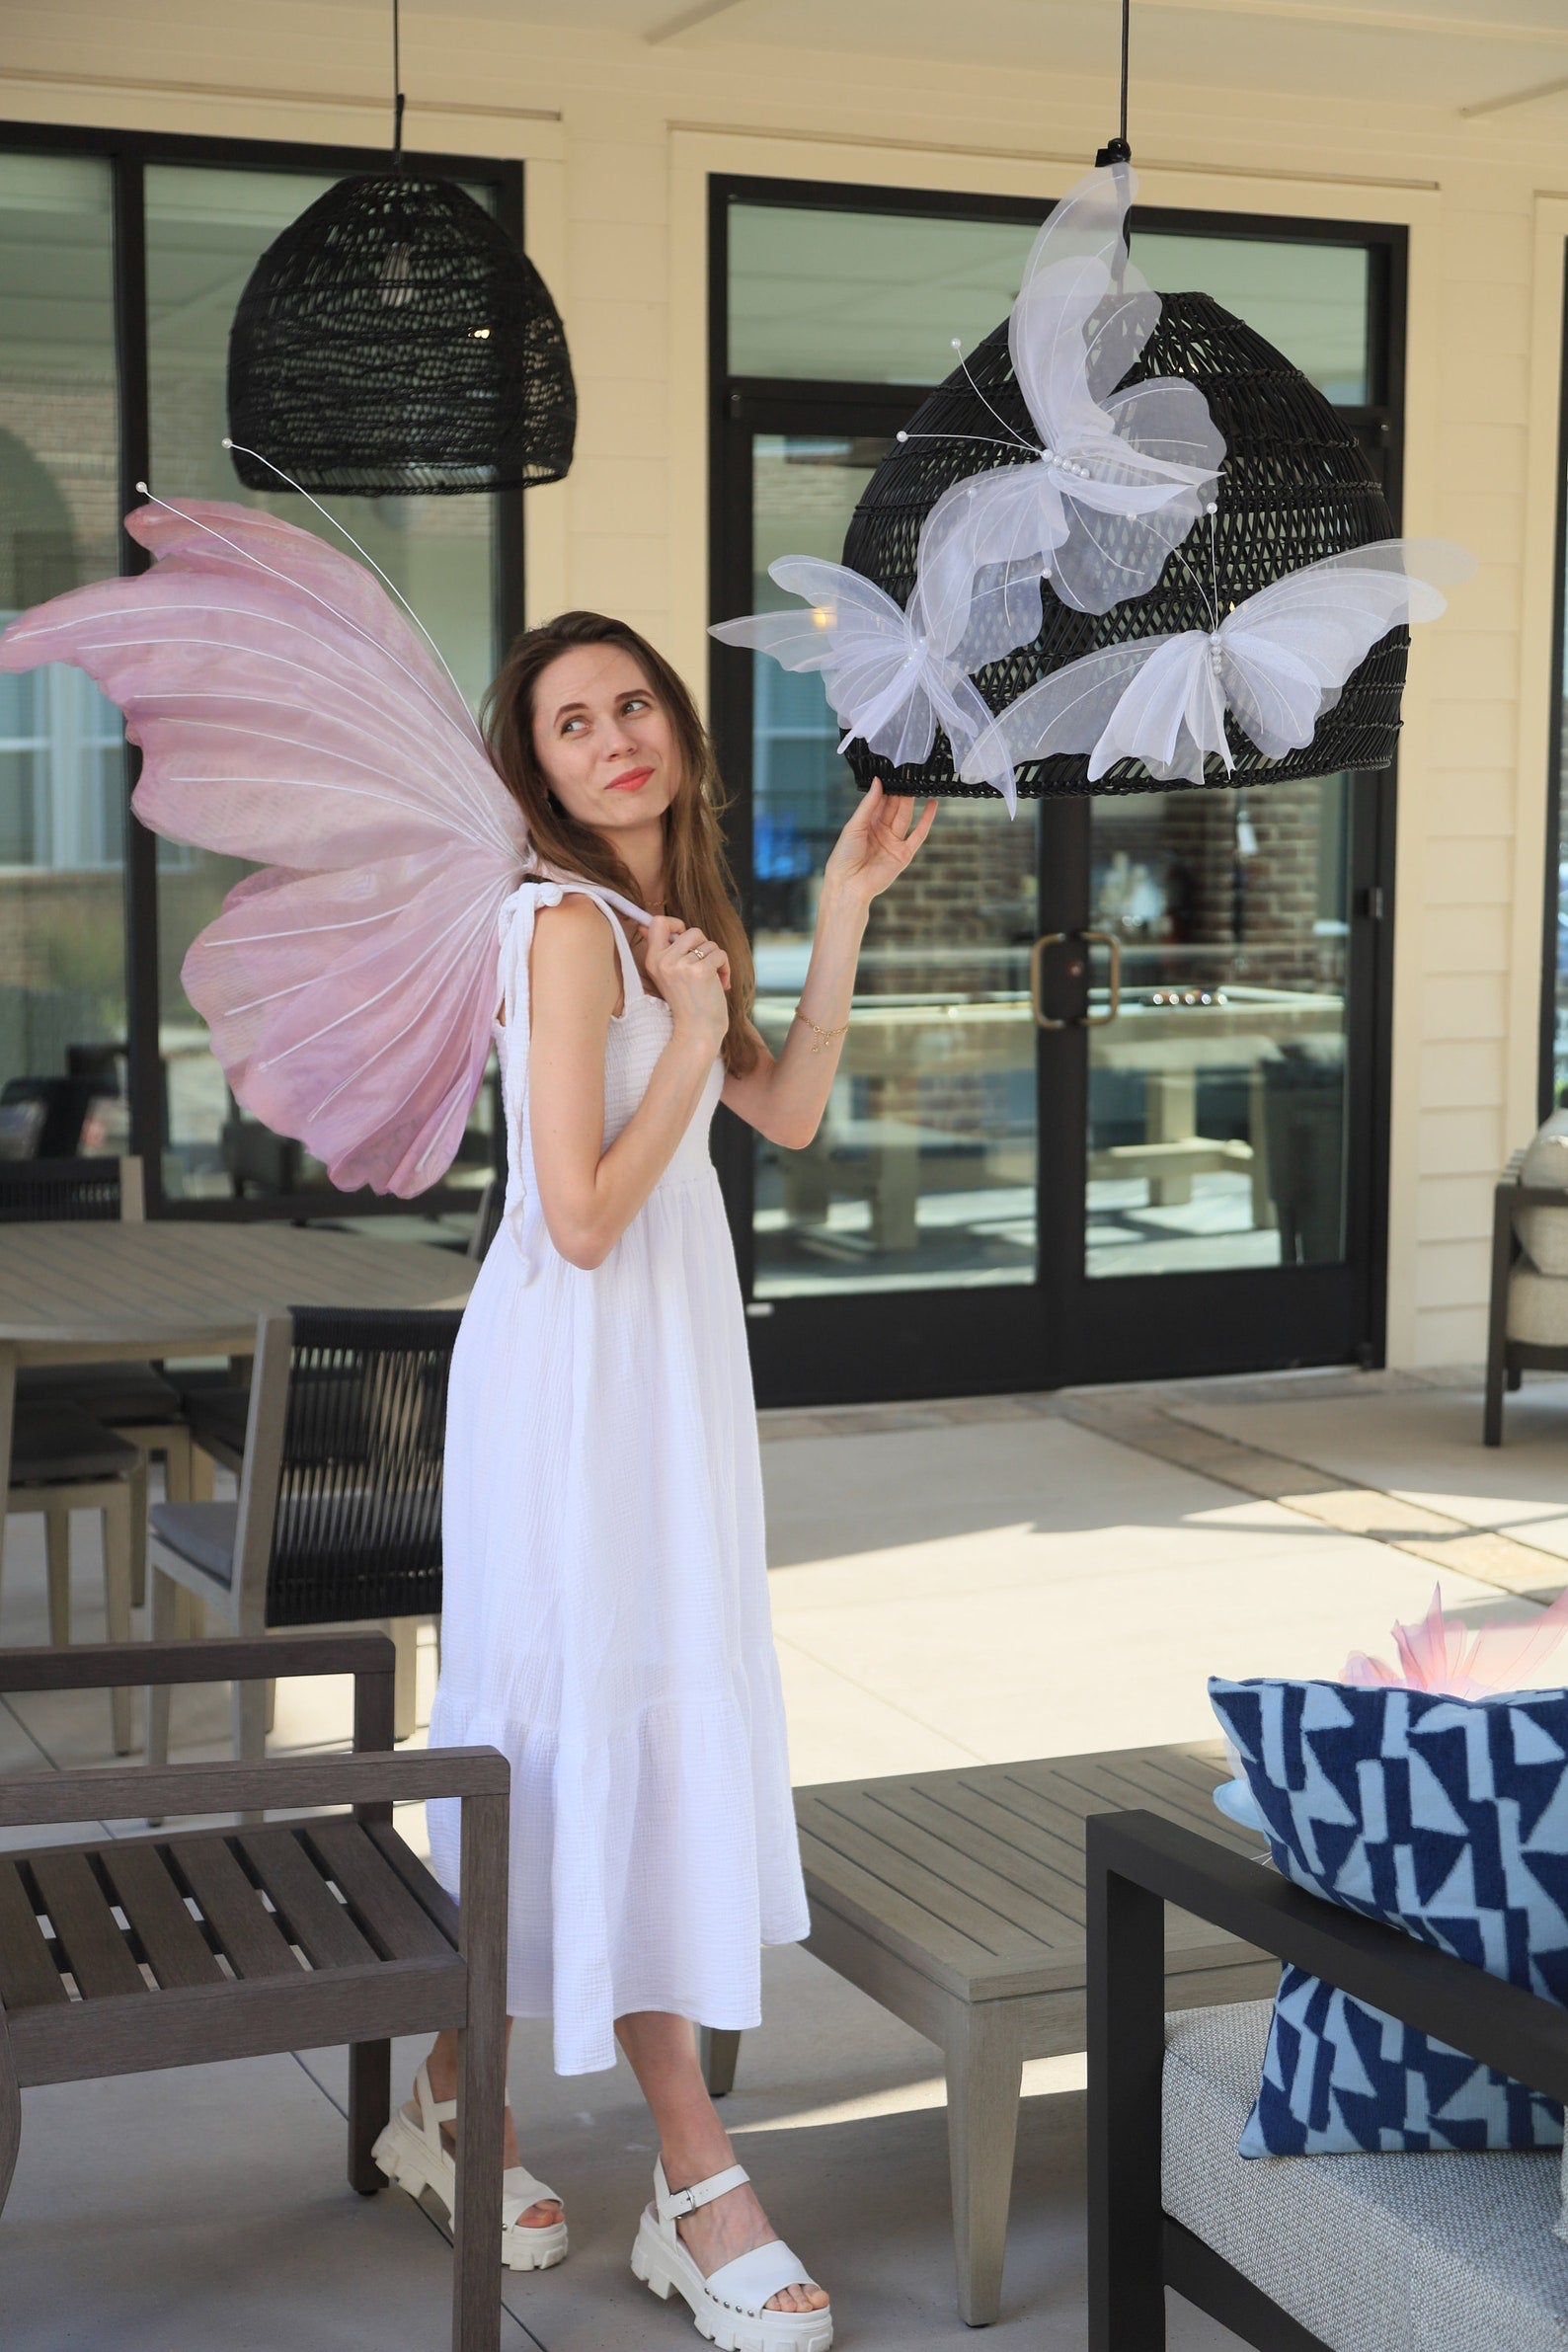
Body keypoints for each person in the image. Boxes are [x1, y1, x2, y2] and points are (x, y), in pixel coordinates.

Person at [370, 609, 935, 2348]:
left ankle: (451, 2095)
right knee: (587, 1722)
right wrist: (686, 1025)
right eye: (567, 722)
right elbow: (580, 1217)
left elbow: (788, 1115)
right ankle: (700, 2180)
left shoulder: (674, 924)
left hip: (671, 1375)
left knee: (596, 1726)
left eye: (633, 706)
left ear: (680, 733)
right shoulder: (558, 927)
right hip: (570, 1380)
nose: (612, 736)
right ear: (528, 769)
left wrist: (831, 911)